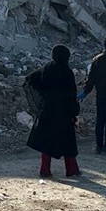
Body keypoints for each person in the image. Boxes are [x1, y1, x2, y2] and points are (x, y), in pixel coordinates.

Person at [26, 45, 82, 178]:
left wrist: (43, 96)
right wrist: (74, 112)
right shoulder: (66, 72)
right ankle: (71, 170)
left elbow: (32, 79)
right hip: (63, 113)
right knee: (68, 143)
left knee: (47, 142)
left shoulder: (47, 68)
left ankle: (45, 170)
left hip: (47, 111)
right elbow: (71, 95)